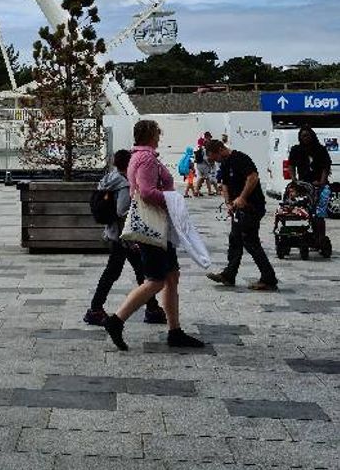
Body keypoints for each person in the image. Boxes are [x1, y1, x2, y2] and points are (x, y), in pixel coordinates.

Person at [104, 119, 205, 352]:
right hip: (154, 227)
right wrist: (172, 199)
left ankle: (175, 330)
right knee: (156, 280)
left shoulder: (137, 157)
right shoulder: (146, 158)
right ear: (150, 135)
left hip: (157, 228)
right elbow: (147, 192)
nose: (160, 137)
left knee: (171, 277)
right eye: (158, 133)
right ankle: (116, 320)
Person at [84, 149, 167, 326]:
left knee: (133, 271)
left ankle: (151, 309)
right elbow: (122, 211)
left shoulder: (109, 178)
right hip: (124, 238)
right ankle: (96, 309)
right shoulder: (123, 183)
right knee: (131, 272)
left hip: (115, 234)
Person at [205, 138, 277, 290]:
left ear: (220, 150)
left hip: (252, 207)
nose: (215, 161)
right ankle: (229, 275)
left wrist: (243, 197)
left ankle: (269, 278)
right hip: (238, 209)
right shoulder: (224, 164)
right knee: (235, 239)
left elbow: (253, 178)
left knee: (250, 241)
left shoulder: (241, 158)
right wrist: (229, 203)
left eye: (214, 156)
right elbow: (224, 184)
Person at [289, 126, 332, 240]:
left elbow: (326, 167)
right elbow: (291, 165)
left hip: (320, 186)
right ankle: (313, 235)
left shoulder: (320, 149)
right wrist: (294, 179)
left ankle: (321, 238)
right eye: (303, 136)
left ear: (312, 135)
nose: (305, 138)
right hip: (304, 186)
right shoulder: (296, 150)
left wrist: (322, 182)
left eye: (307, 135)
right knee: (308, 212)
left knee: (319, 213)